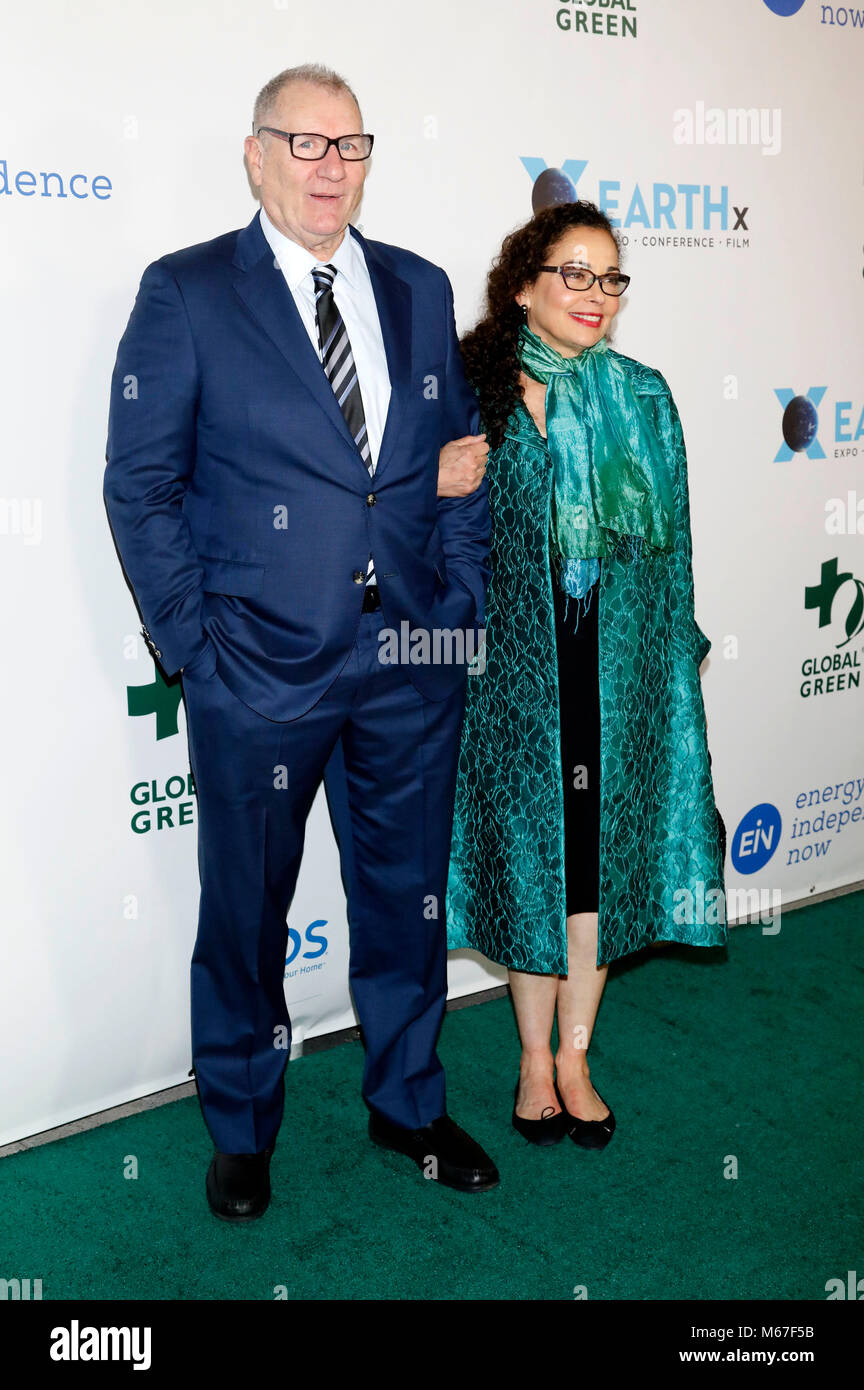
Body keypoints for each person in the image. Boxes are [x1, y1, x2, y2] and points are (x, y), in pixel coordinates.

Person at [103, 63, 496, 1220]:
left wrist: (458, 598)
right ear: (256, 153)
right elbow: (140, 486)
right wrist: (194, 644)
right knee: (247, 910)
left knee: (407, 895)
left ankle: (409, 1101)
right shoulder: (186, 293)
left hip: (414, 656)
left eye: (352, 146)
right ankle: (240, 1121)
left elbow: (456, 467)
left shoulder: (421, 289)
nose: (332, 168)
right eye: (307, 144)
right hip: (258, 667)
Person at [444, 201, 727, 1149]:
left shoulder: (643, 396)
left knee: (597, 873)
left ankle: (575, 1053)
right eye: (573, 273)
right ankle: (531, 1059)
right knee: (536, 865)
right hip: (519, 677)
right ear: (523, 285)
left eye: (609, 278)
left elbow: (673, 551)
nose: (594, 295)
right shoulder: (475, 393)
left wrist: (669, 674)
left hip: (618, 673)